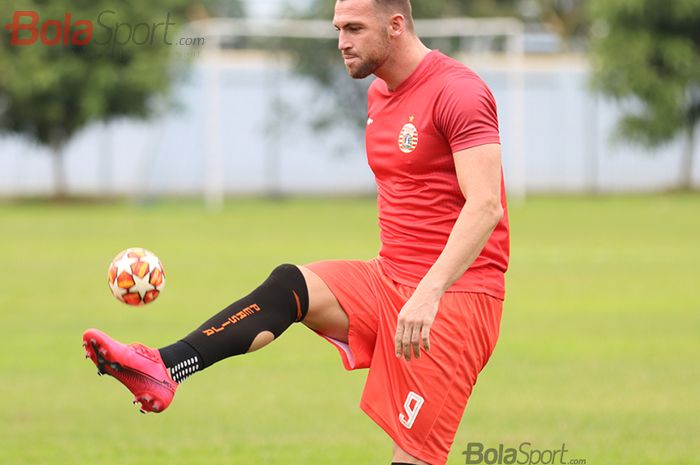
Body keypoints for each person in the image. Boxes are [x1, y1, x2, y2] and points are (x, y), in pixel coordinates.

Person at [81, 0, 509, 463]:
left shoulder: (458, 91)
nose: (342, 41)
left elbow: (485, 204)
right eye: (338, 28)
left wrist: (429, 291)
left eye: (354, 28)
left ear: (396, 25)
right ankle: (163, 368)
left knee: (412, 459)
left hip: (455, 298)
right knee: (291, 286)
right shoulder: (380, 93)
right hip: (389, 279)